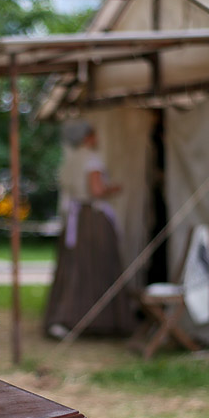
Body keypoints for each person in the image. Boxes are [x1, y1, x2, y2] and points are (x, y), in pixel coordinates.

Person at [45, 120, 135, 339]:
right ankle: (98, 321)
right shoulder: (91, 159)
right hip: (93, 221)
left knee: (75, 268)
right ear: (87, 137)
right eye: (94, 134)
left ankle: (66, 318)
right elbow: (96, 191)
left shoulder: (70, 161)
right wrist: (112, 188)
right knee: (98, 267)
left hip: (76, 221)